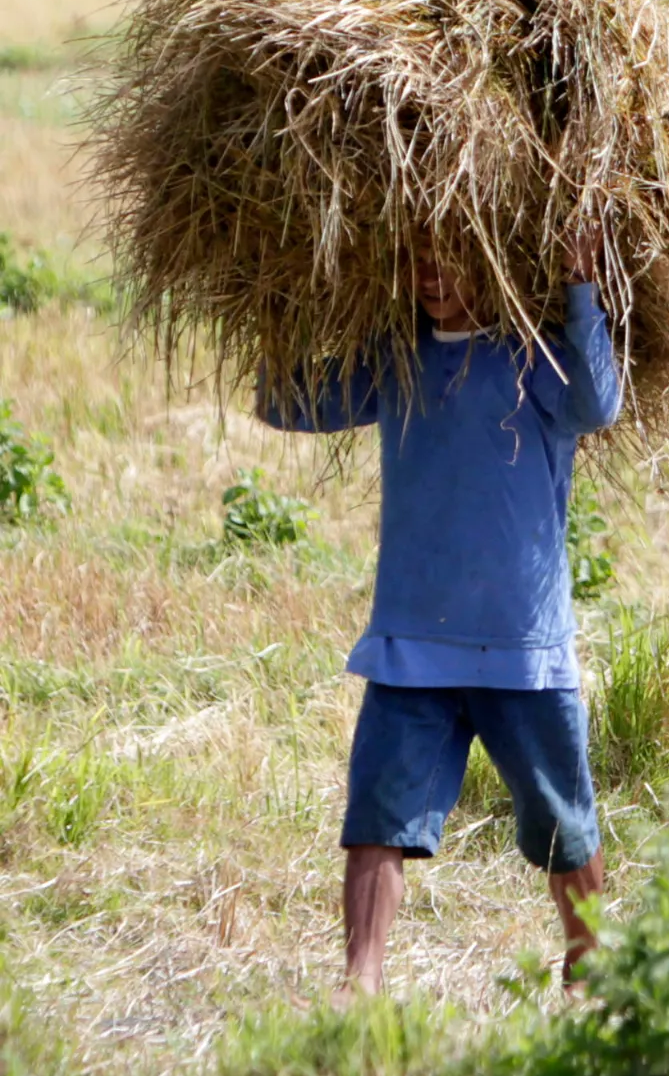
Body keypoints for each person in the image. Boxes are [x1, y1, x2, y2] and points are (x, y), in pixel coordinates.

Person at [258, 233, 620, 996]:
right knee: (377, 819)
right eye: (417, 254)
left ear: (493, 257)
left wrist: (582, 289)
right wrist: (270, 293)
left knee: (565, 821)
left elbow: (599, 405)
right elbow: (289, 404)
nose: (430, 272)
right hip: (412, 641)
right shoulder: (397, 360)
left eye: (452, 252)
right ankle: (361, 983)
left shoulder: (536, 359)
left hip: (521, 643)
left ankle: (589, 959)